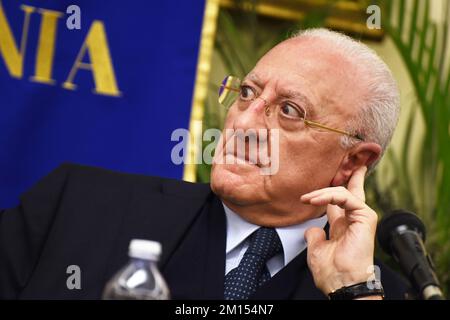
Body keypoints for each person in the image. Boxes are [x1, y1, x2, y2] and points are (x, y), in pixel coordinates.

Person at [0, 28, 409, 299]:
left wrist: (351, 290)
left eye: (288, 110)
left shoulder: (374, 292)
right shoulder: (76, 207)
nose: (243, 121)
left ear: (352, 159)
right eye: (247, 92)